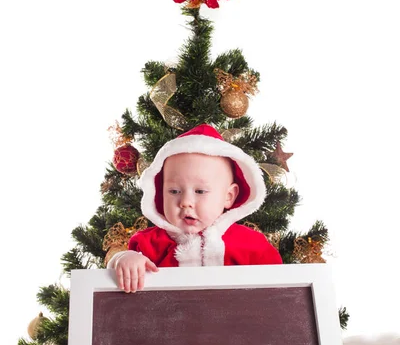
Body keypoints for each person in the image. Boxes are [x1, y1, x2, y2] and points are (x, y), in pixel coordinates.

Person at [107, 124, 282, 292]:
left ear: (228, 196)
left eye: (200, 191)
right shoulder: (149, 243)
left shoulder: (251, 244)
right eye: (174, 191)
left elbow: (281, 285)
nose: (185, 202)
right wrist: (122, 259)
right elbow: (114, 275)